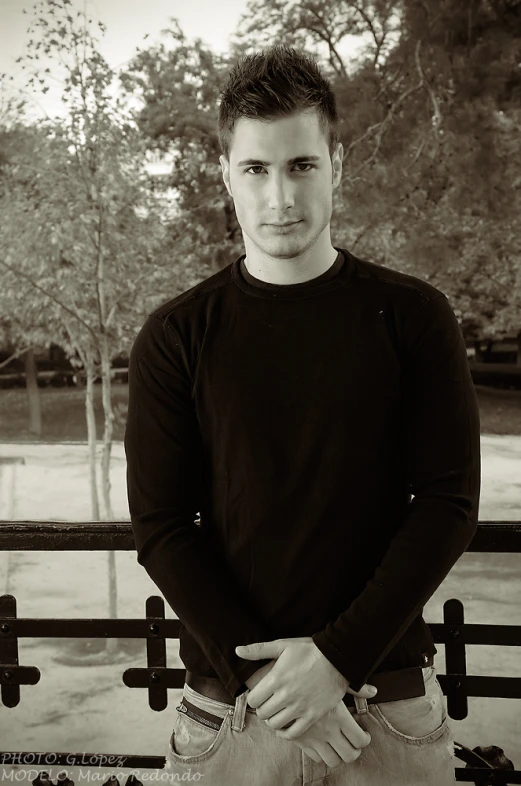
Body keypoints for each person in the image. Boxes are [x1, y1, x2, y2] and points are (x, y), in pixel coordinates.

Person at [124, 43, 481, 786]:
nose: (279, 197)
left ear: (336, 165)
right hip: (232, 710)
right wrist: (276, 688)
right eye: (255, 169)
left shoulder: (412, 317)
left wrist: (334, 661)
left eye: (300, 166)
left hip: (384, 703)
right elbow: (162, 528)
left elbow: (447, 502)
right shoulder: (176, 334)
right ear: (226, 174)